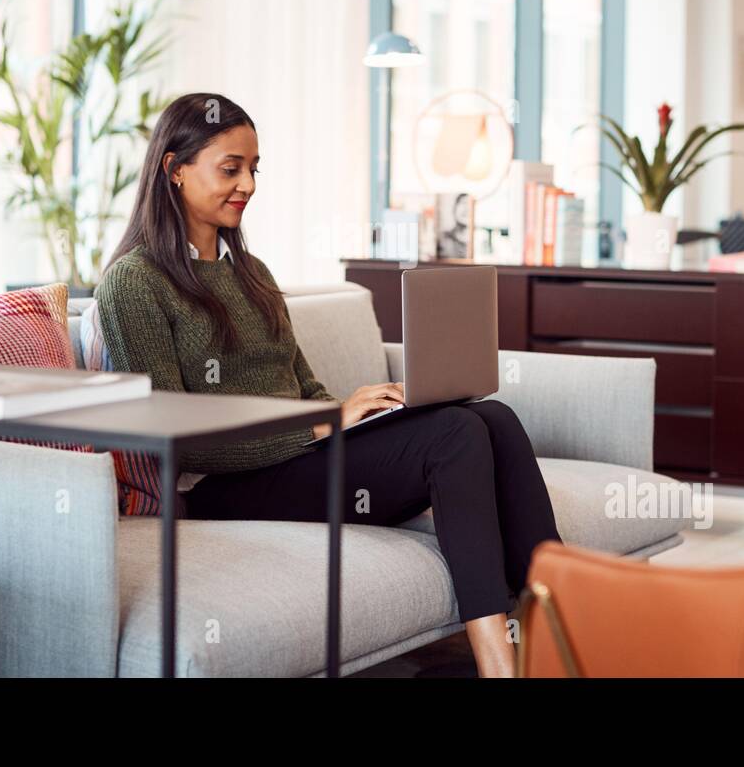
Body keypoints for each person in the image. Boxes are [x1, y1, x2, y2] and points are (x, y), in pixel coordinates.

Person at [95, 92, 562, 677]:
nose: (248, 185)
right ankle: (500, 664)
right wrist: (322, 422)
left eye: (254, 169)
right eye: (230, 168)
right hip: (223, 486)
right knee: (455, 437)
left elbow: (304, 387)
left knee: (491, 417)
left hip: (300, 459)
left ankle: (565, 626)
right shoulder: (135, 283)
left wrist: (365, 410)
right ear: (175, 169)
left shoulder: (253, 274)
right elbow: (175, 439)